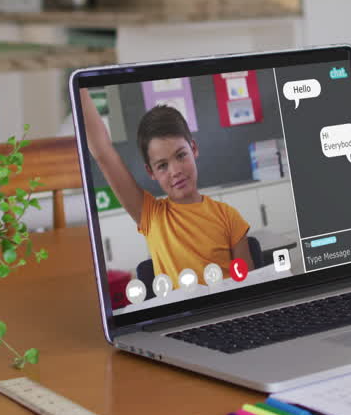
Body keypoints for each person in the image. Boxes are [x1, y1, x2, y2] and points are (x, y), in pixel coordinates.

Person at [79, 91, 252, 290]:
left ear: (194, 149)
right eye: (162, 165)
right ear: (150, 171)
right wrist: (80, 88)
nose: (175, 171)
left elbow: (249, 286)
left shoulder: (229, 217)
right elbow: (103, 152)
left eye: (181, 155)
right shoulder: (150, 215)